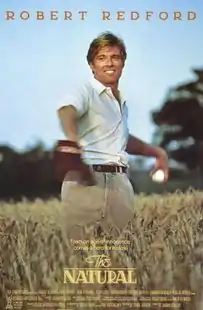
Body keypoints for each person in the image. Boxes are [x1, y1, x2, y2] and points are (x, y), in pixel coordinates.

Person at [55, 31, 169, 238]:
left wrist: (158, 152)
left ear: (123, 63)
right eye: (101, 58)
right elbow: (66, 110)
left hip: (121, 183)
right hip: (86, 179)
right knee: (81, 252)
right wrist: (72, 139)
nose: (109, 63)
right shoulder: (84, 90)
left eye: (115, 57)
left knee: (120, 252)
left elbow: (122, 139)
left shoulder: (120, 103)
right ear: (91, 65)